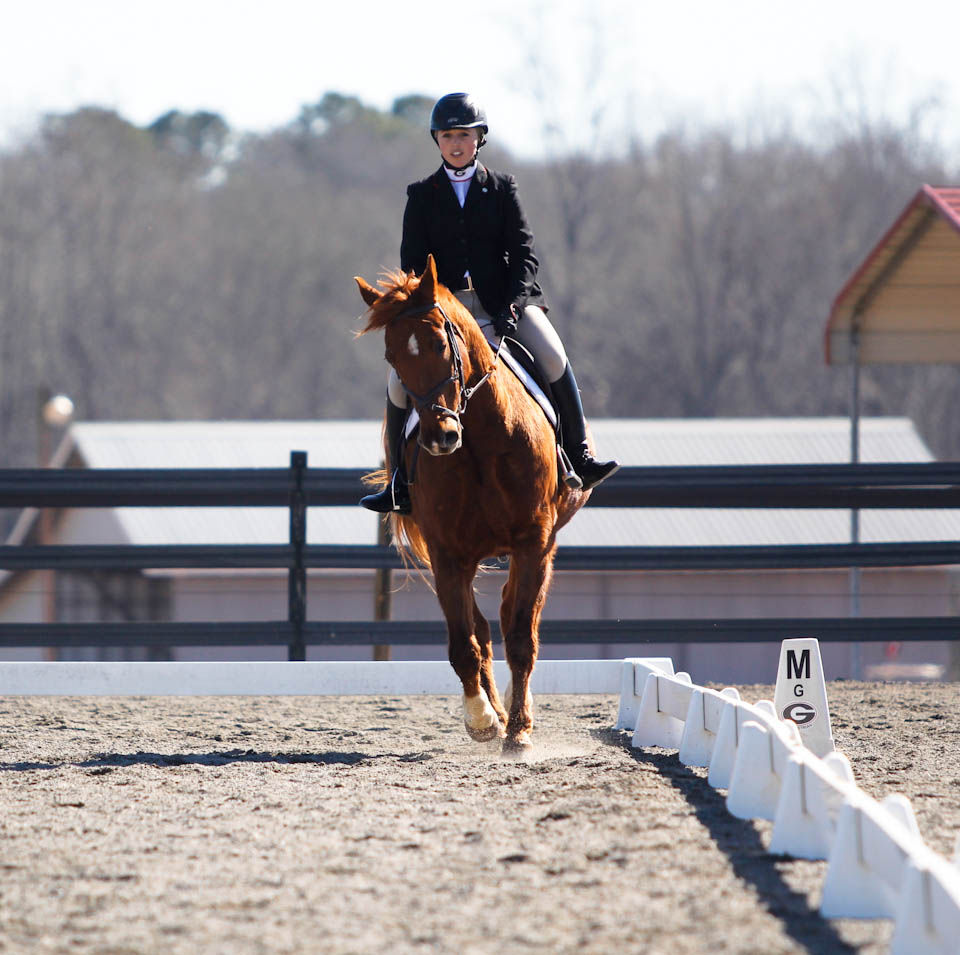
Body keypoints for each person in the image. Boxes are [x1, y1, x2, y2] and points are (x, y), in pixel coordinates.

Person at [361, 92, 619, 514]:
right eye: (448, 136)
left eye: (464, 135)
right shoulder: (421, 195)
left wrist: (514, 307)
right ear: (437, 140)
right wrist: (428, 309)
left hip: (504, 302)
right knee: (396, 383)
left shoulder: (501, 188)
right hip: (446, 309)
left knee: (553, 355)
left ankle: (580, 455)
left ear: (479, 138)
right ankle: (398, 483)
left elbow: (524, 256)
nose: (456, 144)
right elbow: (412, 268)